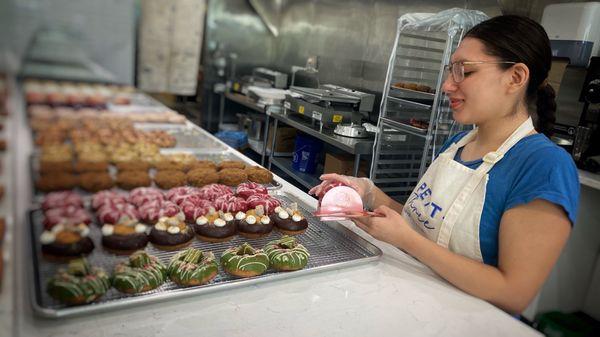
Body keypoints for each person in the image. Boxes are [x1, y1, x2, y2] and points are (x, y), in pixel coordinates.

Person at [309, 15, 580, 314]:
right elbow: (425, 226)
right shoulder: (457, 145)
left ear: (515, 77)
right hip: (405, 302)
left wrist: (407, 241)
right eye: (450, 70)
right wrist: (369, 194)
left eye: (464, 71)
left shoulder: (544, 166)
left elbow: (512, 292)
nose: (447, 86)